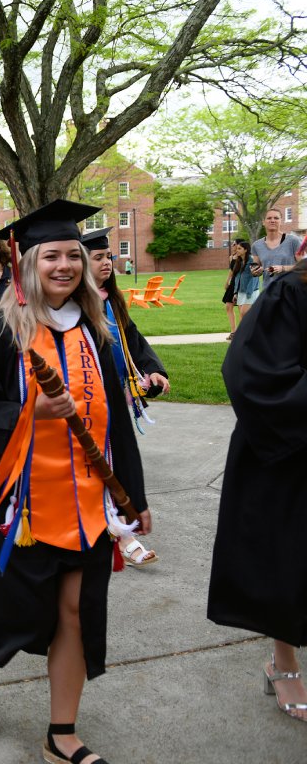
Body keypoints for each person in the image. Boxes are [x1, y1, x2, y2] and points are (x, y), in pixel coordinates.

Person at [0, 200, 150, 764]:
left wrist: (132, 495)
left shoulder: (96, 333)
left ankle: (62, 736)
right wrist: (29, 415)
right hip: (22, 508)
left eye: (73, 256)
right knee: (17, 611)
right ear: (28, 264)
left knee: (75, 615)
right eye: (51, 256)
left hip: (88, 503)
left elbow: (116, 423)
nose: (64, 266)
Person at [207, 253, 307, 723]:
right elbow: (250, 369)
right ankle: (283, 663)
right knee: (288, 561)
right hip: (291, 451)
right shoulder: (292, 292)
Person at [82, 226, 167, 568]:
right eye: (98, 257)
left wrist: (152, 369)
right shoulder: (76, 308)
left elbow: (133, 341)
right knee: (103, 466)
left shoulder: (112, 301)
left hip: (116, 396)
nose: (107, 264)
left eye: (109, 257)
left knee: (112, 463)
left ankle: (116, 525)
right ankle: (123, 533)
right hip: (88, 400)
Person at [250, 208, 301, 287]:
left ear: (281, 221)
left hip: (291, 291)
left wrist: (283, 268)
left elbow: (303, 266)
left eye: (276, 218)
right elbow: (255, 268)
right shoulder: (256, 245)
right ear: (263, 222)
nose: (272, 220)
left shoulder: (293, 241)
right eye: (269, 218)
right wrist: (255, 271)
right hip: (269, 292)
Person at [232, 240, 259, 322]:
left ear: (246, 250)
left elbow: (254, 277)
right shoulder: (239, 261)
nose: (237, 250)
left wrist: (249, 292)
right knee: (243, 316)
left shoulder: (253, 261)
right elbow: (237, 278)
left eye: (239, 249)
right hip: (241, 292)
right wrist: (235, 293)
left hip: (250, 292)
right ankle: (245, 333)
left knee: (244, 313)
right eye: (237, 248)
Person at [222, 240, 242, 340]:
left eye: (234, 244)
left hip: (241, 283)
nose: (232, 246)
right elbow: (231, 270)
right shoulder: (231, 257)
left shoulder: (243, 257)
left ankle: (241, 332)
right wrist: (227, 281)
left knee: (241, 309)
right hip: (233, 283)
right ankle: (233, 331)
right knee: (228, 306)